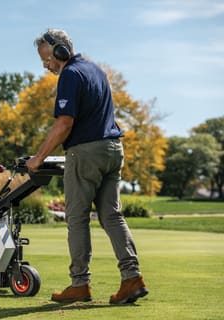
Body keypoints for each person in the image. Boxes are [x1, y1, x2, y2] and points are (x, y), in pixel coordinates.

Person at [26, 29, 148, 304]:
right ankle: (132, 278)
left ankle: (79, 284)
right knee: (112, 216)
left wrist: (39, 158)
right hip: (113, 150)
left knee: (77, 218)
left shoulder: (70, 74)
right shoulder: (96, 70)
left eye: (47, 59)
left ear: (60, 51)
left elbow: (64, 123)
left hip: (86, 152)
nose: (46, 66)